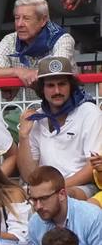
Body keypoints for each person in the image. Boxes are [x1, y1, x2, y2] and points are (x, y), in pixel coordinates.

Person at [16, 57, 100, 192]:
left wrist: (55, 188)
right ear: (42, 89)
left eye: (62, 84)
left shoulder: (89, 112)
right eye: (50, 85)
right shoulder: (36, 117)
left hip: (80, 187)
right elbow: (28, 176)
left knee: (65, 196)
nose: (57, 91)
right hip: (44, 191)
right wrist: (23, 136)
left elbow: (93, 167)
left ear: (71, 86)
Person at [0, 0, 76, 86]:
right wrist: (18, 72)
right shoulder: (10, 39)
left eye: (26, 18)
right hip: (21, 103)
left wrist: (15, 78)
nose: (19, 24)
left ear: (43, 20)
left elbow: (56, 72)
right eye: (17, 18)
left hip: (56, 101)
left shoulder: (62, 39)